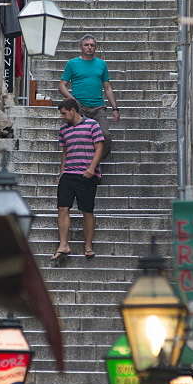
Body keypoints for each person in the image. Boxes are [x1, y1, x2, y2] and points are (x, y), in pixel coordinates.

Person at [52, 98, 104, 262]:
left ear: (73, 110)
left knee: (87, 210)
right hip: (69, 173)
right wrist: (61, 173)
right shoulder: (63, 130)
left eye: (64, 113)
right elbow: (65, 152)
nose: (62, 117)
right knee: (62, 207)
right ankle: (63, 245)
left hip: (86, 175)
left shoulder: (92, 125)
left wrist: (92, 168)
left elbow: (100, 148)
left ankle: (88, 245)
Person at [58, 34, 119, 159]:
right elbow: (61, 86)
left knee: (105, 134)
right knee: (79, 135)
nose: (89, 47)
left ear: (95, 48)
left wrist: (115, 108)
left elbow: (107, 87)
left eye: (92, 45)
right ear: (81, 47)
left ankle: (97, 160)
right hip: (79, 107)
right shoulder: (72, 64)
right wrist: (72, 100)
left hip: (98, 106)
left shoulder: (102, 64)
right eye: (86, 45)